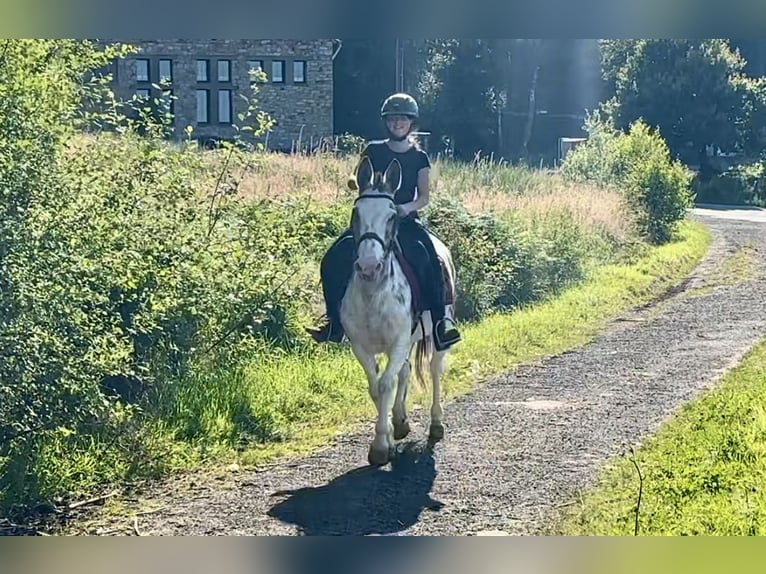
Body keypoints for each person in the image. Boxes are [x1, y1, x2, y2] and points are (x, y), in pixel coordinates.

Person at [306, 92, 461, 352]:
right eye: (392, 119)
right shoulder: (373, 150)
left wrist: (405, 208)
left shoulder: (419, 157)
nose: (397, 124)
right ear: (386, 122)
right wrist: (354, 182)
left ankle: (440, 323)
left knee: (430, 261)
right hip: (371, 223)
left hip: (404, 221)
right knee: (332, 258)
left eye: (402, 119)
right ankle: (334, 322)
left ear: (411, 122)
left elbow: (424, 197)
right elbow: (357, 176)